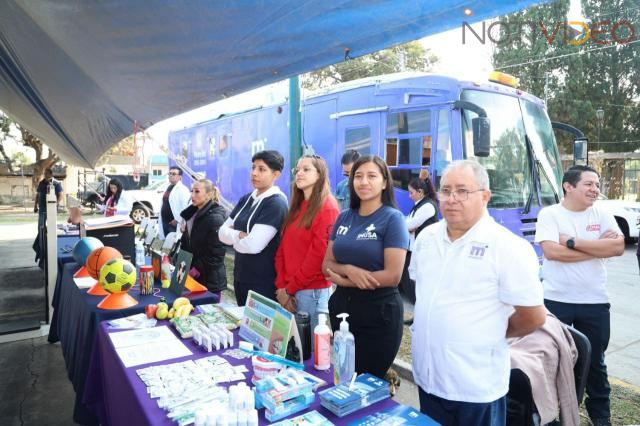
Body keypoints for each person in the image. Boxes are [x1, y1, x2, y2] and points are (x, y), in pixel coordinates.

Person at [410, 160, 546, 426]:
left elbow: (533, 317)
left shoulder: (508, 247)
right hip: (428, 379)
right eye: (446, 190)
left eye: (462, 191)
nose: (452, 199)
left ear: (485, 196)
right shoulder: (427, 239)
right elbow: (424, 293)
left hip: (475, 387)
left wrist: (490, 330)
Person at [535, 165, 624, 426]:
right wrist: (598, 249)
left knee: (596, 361)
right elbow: (552, 252)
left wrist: (573, 241)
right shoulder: (550, 214)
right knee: (552, 360)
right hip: (556, 300)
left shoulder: (602, 214)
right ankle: (552, 414)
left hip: (595, 301)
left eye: (597, 185)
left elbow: (618, 247)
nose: (595, 189)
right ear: (568, 186)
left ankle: (600, 416)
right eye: (589, 184)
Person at [322, 155, 409, 379]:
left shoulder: (393, 219)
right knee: (344, 375)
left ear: (384, 182)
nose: (363, 182)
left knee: (369, 381)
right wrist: (350, 270)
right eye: (358, 176)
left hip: (379, 312)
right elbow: (326, 264)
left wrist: (344, 280)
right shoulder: (344, 218)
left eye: (372, 176)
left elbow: (392, 276)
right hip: (343, 308)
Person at [275, 155, 340, 335]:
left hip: (311, 292)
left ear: (320, 175)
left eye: (306, 169)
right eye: (297, 170)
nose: (299, 173)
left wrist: (289, 289)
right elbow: (282, 248)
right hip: (289, 289)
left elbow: (318, 256)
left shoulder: (328, 207)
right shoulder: (297, 205)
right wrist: (282, 286)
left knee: (307, 353)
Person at [219, 150, 288, 306]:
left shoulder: (275, 203)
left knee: (260, 329)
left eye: (262, 169)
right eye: (253, 167)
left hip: (262, 282)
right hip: (241, 277)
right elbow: (221, 233)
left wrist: (234, 239)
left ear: (276, 175)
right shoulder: (247, 199)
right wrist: (240, 235)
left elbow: (254, 245)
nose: (254, 173)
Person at [179, 179, 227, 298]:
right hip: (192, 278)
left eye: (197, 192)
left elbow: (216, 255)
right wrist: (181, 265)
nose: (192, 195)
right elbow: (187, 245)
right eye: (192, 191)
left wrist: (194, 271)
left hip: (209, 281)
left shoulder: (215, 218)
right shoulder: (191, 214)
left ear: (209, 195)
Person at [399, 172, 438, 304]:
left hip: (423, 249)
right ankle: (417, 309)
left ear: (420, 192)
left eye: (411, 193)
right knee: (407, 279)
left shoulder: (427, 206)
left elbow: (410, 225)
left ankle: (418, 308)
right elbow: (408, 224)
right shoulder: (420, 205)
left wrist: (407, 225)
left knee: (412, 280)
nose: (409, 196)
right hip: (413, 248)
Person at [160, 167, 191, 238]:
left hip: (174, 224)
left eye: (173, 174)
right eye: (170, 173)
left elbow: (186, 207)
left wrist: (177, 219)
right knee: (167, 245)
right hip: (165, 221)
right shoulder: (169, 187)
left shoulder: (183, 189)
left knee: (173, 244)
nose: (170, 175)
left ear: (180, 177)